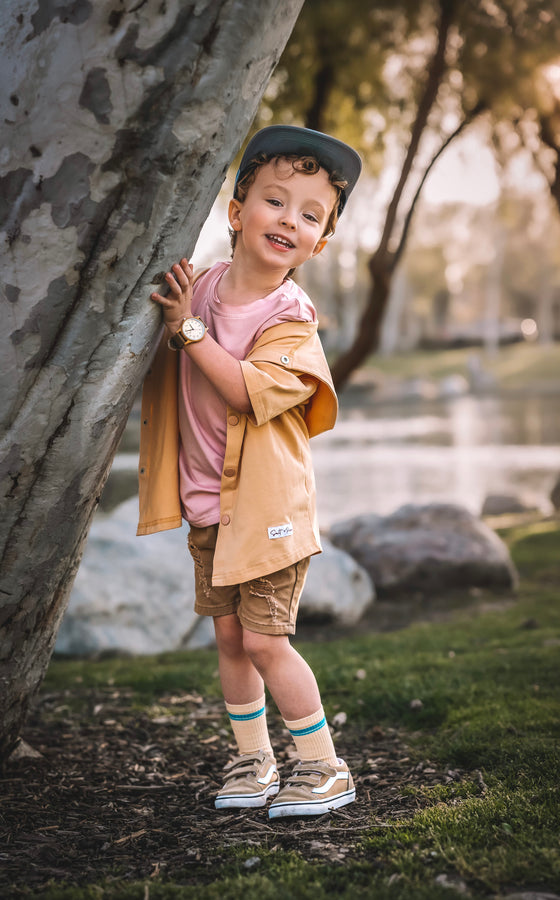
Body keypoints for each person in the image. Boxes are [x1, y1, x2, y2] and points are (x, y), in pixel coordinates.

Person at [137, 125, 361, 818]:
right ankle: (253, 759)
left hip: (268, 513)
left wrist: (188, 331)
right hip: (210, 508)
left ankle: (325, 767)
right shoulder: (198, 289)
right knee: (230, 637)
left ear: (318, 246)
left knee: (265, 639)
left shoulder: (291, 321)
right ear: (236, 213)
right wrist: (180, 313)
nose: (290, 220)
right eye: (276, 201)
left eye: (309, 215)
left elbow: (242, 390)